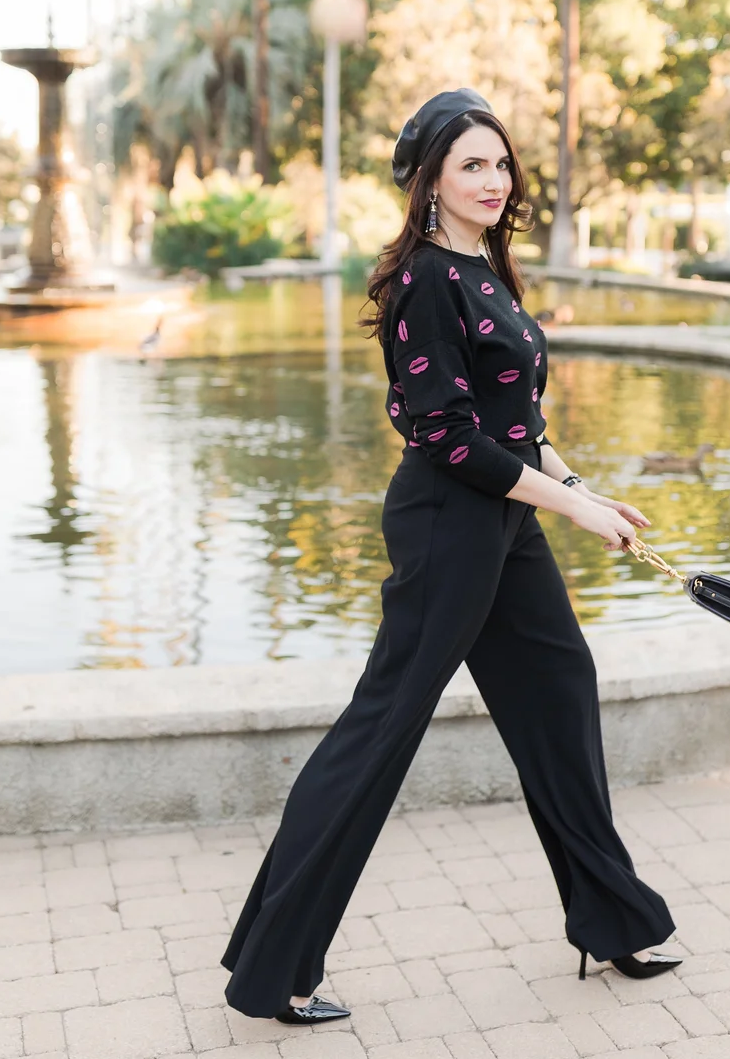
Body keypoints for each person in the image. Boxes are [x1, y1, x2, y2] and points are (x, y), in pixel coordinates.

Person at [221, 88, 680, 1024]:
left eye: (500, 163)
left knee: (559, 691)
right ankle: (276, 968)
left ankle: (611, 920)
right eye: (471, 164)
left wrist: (584, 492)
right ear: (430, 180)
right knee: (381, 731)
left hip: (506, 518)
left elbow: (514, 422)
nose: (493, 179)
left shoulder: (485, 266)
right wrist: (572, 510)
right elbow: (448, 437)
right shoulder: (425, 279)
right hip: (448, 525)